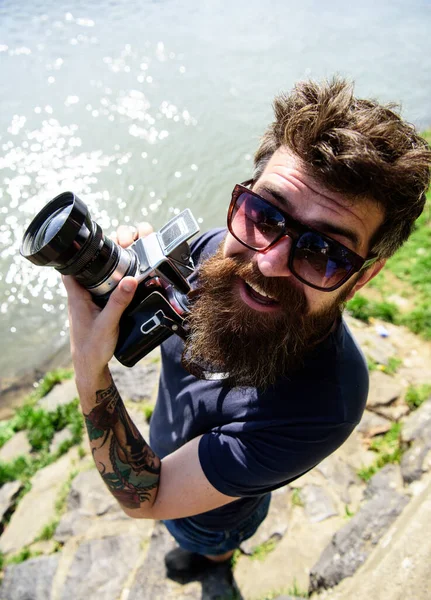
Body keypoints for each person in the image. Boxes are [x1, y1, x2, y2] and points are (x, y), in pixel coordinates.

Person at [62, 77, 431, 575]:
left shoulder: (324, 405)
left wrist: (90, 372)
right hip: (178, 447)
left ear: (362, 278)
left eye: (325, 252)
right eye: (265, 213)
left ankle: (217, 563)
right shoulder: (209, 250)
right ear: (243, 198)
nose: (268, 261)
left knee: (206, 539)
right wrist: (117, 290)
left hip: (219, 511)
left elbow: (147, 498)